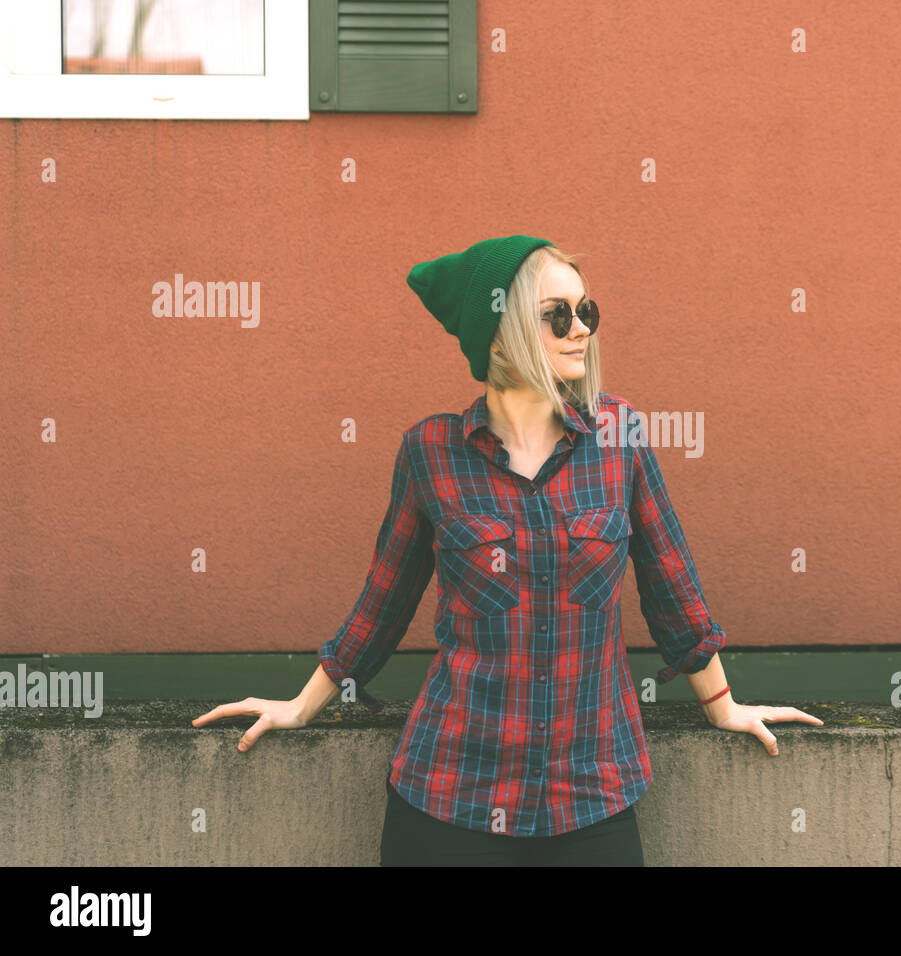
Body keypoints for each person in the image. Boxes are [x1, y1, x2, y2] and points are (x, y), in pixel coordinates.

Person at [193, 235, 823, 865]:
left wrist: (722, 707)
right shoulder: (430, 453)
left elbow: (671, 584)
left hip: (592, 797)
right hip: (450, 797)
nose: (580, 330)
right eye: (557, 315)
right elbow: (382, 605)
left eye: (587, 312)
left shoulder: (620, 436)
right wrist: (301, 708)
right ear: (499, 334)